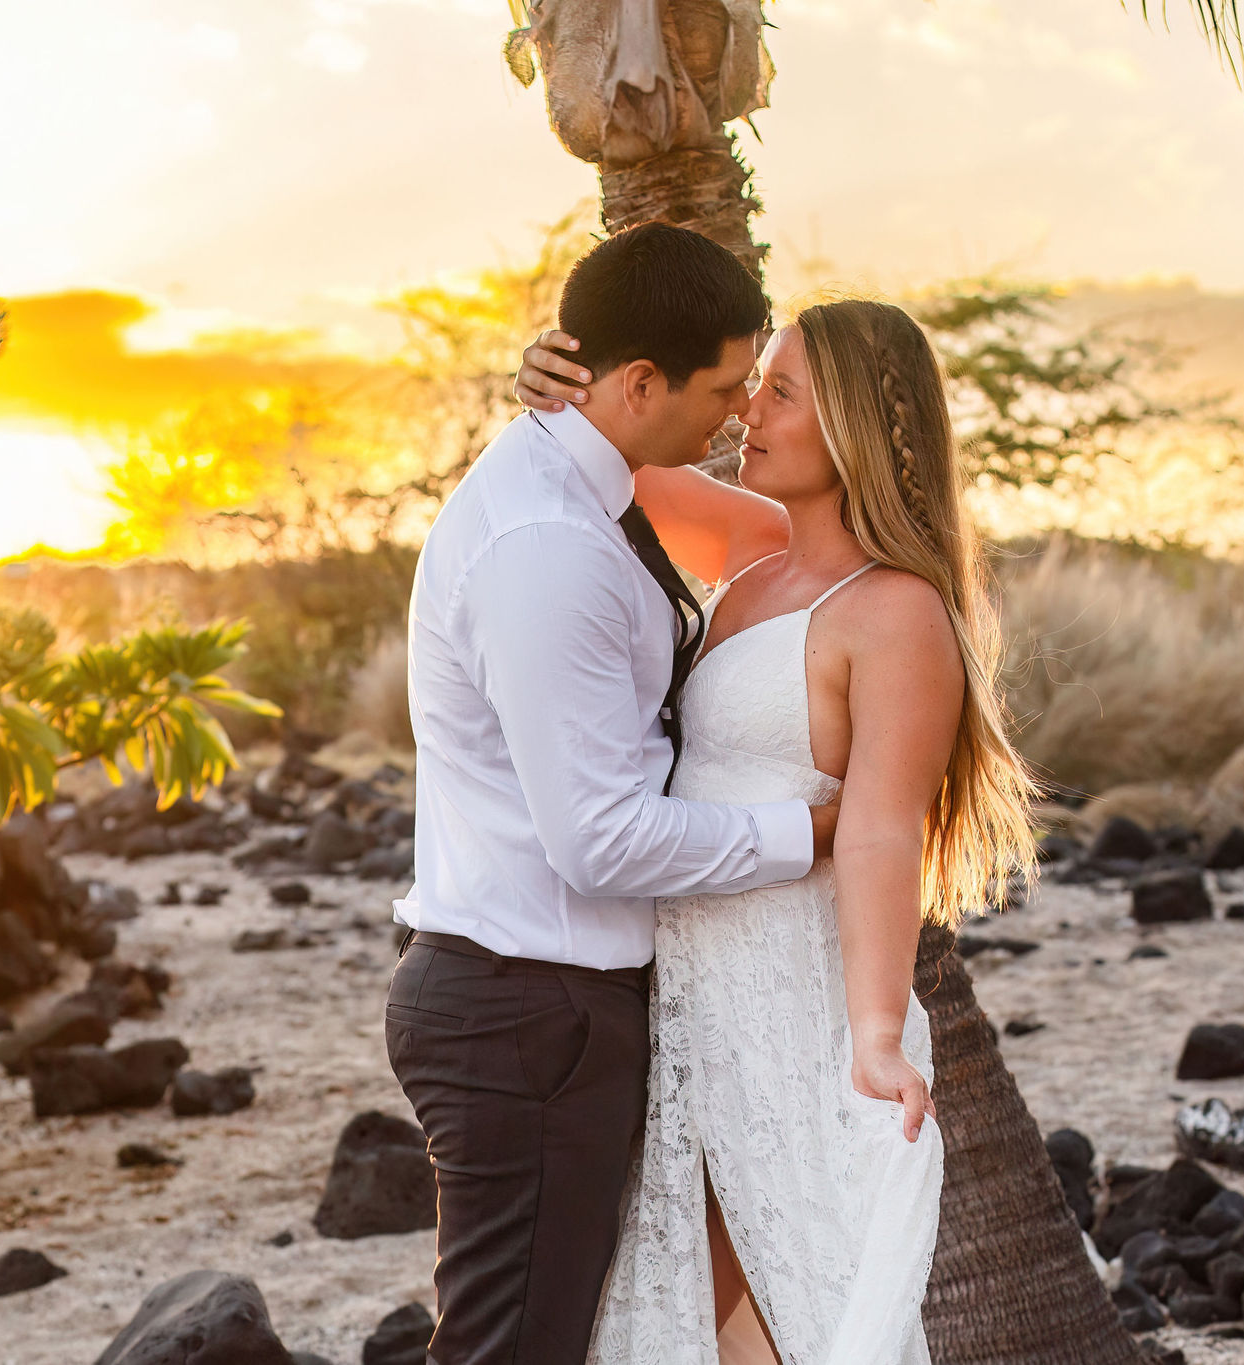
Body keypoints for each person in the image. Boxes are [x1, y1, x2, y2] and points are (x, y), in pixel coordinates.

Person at [512, 295, 1035, 1363]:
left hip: (792, 997)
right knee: (690, 1295)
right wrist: (554, 386)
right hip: (685, 991)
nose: (751, 408)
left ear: (845, 425)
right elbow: (614, 454)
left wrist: (877, 1036)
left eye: (781, 391)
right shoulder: (751, 553)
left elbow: (883, 832)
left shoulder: (894, 610)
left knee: (793, 1284)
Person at [386, 222, 840, 1365]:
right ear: (640, 382)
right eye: (728, 387)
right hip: (528, 1011)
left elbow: (778, 534)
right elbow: (598, 841)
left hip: (548, 1004)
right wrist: (811, 831)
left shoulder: (585, 480)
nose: (738, 414)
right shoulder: (548, 544)